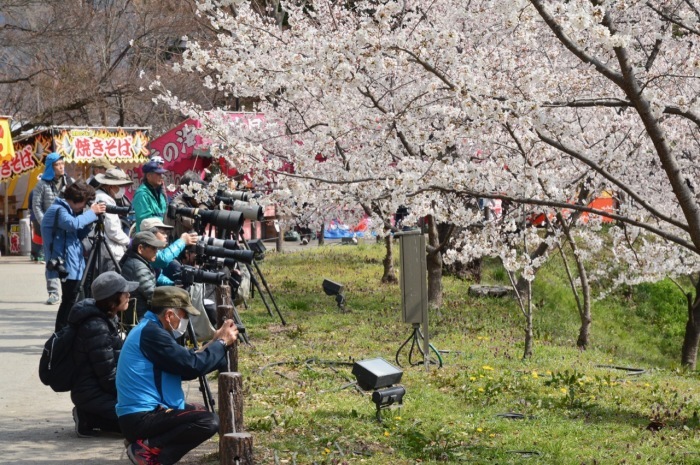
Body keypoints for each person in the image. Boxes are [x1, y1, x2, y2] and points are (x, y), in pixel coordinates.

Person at [116, 286, 239, 465]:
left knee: (198, 411)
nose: (186, 321)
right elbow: (192, 366)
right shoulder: (153, 335)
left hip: (138, 416)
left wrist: (214, 342)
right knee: (207, 422)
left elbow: (184, 362)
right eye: (184, 315)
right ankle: (147, 450)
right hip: (141, 418)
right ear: (169, 315)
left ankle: (147, 445)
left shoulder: (150, 329)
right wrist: (221, 343)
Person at [68, 271, 138, 437]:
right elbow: (107, 376)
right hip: (92, 392)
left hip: (98, 388)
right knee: (137, 422)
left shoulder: (106, 318)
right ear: (113, 300)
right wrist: (134, 394)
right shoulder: (96, 328)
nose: (129, 295)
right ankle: (88, 417)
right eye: (125, 293)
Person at [41, 181, 106, 331]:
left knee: (73, 300)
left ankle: (67, 331)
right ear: (77, 198)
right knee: (70, 301)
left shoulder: (68, 211)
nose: (84, 207)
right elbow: (72, 224)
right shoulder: (58, 210)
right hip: (65, 264)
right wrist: (91, 213)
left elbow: (78, 233)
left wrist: (92, 220)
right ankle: (62, 333)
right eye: (84, 203)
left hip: (75, 263)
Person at [33, 152, 75, 305]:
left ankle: (68, 290)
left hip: (67, 225)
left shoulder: (70, 182)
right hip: (49, 228)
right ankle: (53, 292)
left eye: (62, 164)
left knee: (69, 257)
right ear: (51, 167)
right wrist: (44, 222)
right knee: (51, 259)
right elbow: (36, 205)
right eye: (57, 165)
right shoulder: (42, 184)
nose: (61, 167)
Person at [119, 231, 167, 323]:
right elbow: (153, 296)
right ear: (140, 248)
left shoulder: (137, 262)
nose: (156, 251)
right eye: (153, 248)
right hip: (141, 319)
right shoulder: (138, 267)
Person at [92, 168, 133, 271]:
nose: (122, 189)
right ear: (111, 186)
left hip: (100, 248)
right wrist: (128, 241)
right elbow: (113, 230)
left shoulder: (97, 194)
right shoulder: (105, 199)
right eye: (120, 186)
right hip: (108, 251)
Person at [140, 217, 199, 286]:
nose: (166, 235)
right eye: (162, 232)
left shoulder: (154, 250)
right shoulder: (145, 249)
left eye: (166, 233)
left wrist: (172, 284)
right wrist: (183, 241)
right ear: (151, 235)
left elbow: (156, 276)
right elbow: (163, 259)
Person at [164, 170, 207, 239]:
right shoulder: (178, 203)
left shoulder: (189, 201)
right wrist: (204, 207)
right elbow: (193, 223)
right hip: (175, 243)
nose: (200, 199)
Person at [132, 160, 168, 233]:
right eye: (158, 174)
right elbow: (146, 220)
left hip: (161, 235)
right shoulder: (141, 194)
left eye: (162, 174)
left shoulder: (160, 193)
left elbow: (164, 213)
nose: (161, 177)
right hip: (147, 238)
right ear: (148, 176)